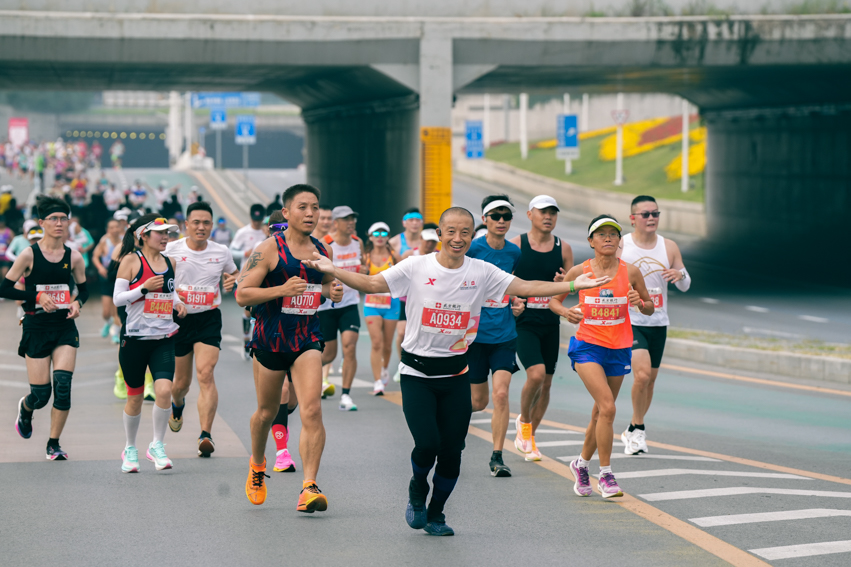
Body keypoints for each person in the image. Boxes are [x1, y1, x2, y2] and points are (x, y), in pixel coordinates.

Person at [303, 206, 608, 535]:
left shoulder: (481, 271)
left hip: (455, 376)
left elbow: (526, 287)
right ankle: (418, 489)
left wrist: (575, 283)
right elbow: (371, 282)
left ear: (471, 235)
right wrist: (332, 269)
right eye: (451, 231)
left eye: (465, 232)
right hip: (418, 374)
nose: (458, 238)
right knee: (427, 444)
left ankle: (437, 514)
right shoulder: (417, 266)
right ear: (440, 235)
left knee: (452, 451)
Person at [235, 183, 343, 513]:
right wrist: (281, 289)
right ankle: (257, 465)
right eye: (302, 207)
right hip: (270, 339)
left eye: (315, 207)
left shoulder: (323, 251)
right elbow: (242, 294)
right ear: (287, 212)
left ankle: (308, 487)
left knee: (312, 408)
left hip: (306, 338)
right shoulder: (268, 249)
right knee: (267, 412)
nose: (310, 214)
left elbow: (324, 285)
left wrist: (331, 292)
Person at [550, 215, 653, 498]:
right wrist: (566, 312)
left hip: (618, 347)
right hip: (587, 346)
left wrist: (640, 303)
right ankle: (606, 475)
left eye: (613, 234)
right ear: (591, 241)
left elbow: (650, 307)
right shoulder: (580, 272)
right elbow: (553, 300)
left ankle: (581, 464)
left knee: (599, 413)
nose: (608, 238)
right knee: (608, 408)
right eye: (601, 233)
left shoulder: (630, 272)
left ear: (619, 241)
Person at [1, 195, 88, 460]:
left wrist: (77, 304)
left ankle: (53, 443)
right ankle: (27, 409)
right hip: (36, 327)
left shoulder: (74, 257)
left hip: (64, 326)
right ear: (42, 223)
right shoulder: (29, 255)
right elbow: (4, 288)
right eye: (54, 219)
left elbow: (83, 289)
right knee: (41, 394)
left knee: (63, 386)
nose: (59, 223)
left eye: (64, 218)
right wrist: (37, 297)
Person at [113, 215, 186, 472]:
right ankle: (130, 448)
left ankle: (156, 445)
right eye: (160, 233)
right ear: (143, 235)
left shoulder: (170, 262)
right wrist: (143, 288)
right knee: (134, 398)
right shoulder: (131, 261)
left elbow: (170, 289)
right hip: (134, 339)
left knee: (165, 391)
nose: (165, 237)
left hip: (163, 338)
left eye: (167, 232)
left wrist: (178, 302)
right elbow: (118, 299)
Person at [618, 196, 690, 455]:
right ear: (633, 218)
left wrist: (679, 274)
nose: (651, 218)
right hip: (631, 320)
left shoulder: (668, 246)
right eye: (645, 214)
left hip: (659, 321)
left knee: (650, 382)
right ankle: (638, 429)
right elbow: (607, 273)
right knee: (642, 375)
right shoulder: (622, 244)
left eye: (655, 214)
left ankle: (631, 428)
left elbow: (685, 283)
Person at [166, 202, 239, 457]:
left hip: (208, 319)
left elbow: (234, 274)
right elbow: (162, 279)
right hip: (178, 320)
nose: (201, 227)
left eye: (206, 223)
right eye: (196, 222)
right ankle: (177, 405)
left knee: (205, 374)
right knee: (181, 384)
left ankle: (205, 434)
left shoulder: (221, 251)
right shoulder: (171, 249)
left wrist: (233, 281)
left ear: (212, 225)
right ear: (187, 225)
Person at [509, 195, 573, 462]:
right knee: (534, 375)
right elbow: (501, 281)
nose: (548, 217)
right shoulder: (516, 246)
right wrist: (513, 300)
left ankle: (530, 437)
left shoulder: (564, 248)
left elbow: (571, 286)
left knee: (546, 384)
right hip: (524, 322)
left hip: (550, 322)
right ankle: (523, 423)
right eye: (543, 212)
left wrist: (562, 283)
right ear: (530, 214)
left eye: (553, 213)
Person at [466, 195, 524, 477]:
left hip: (503, 335)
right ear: (484, 219)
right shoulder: (472, 249)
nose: (502, 221)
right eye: (496, 216)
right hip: (475, 336)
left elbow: (514, 284)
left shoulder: (514, 253)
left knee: (501, 393)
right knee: (478, 402)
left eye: (506, 216)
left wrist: (516, 301)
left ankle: (497, 456)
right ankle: (453, 429)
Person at [317, 206, 364, 411]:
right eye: (346, 219)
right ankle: (301, 376)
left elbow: (362, 267)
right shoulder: (325, 244)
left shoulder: (358, 242)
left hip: (350, 303)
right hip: (327, 306)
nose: (351, 222)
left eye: (353, 218)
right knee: (328, 355)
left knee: (350, 346)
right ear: (336, 222)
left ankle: (345, 395)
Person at [362, 221, 401, 396]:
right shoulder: (366, 257)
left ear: (388, 237)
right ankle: (378, 381)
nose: (380, 237)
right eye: (376, 234)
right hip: (372, 304)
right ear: (370, 237)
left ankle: (384, 368)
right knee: (376, 342)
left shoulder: (395, 256)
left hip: (391, 304)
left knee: (387, 344)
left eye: (383, 234)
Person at [231, 204, 267, 360]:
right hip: (247, 277)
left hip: (264, 279)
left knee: (259, 311)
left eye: (261, 221)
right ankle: (247, 338)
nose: (258, 224)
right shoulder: (243, 232)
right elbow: (231, 250)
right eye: (255, 220)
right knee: (248, 311)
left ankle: (256, 342)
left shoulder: (269, 234)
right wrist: (244, 253)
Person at [92, 219, 123, 342]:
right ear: (108, 229)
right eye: (112, 227)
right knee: (106, 312)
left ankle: (115, 334)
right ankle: (108, 322)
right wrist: (100, 268)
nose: (115, 229)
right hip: (106, 278)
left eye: (117, 227)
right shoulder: (105, 242)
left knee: (116, 310)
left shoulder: (124, 242)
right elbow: (95, 256)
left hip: (119, 278)